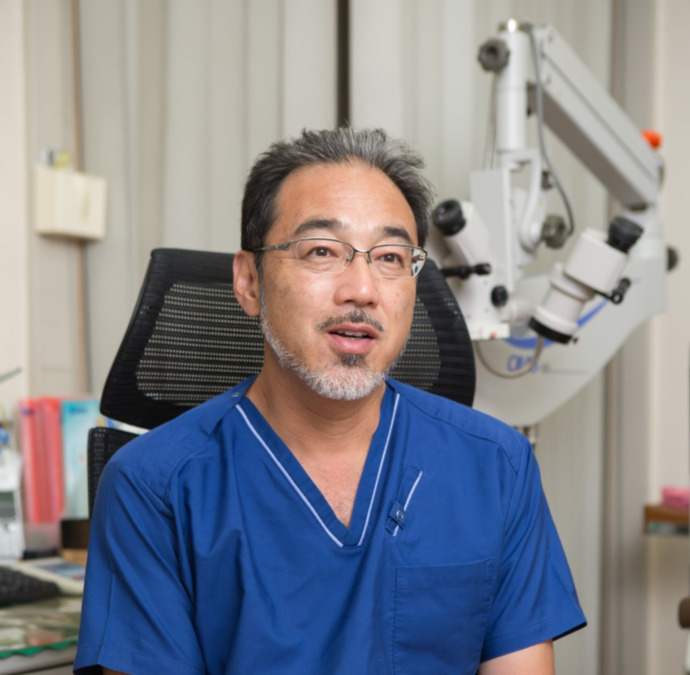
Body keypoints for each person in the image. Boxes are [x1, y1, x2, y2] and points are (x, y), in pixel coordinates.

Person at [74, 127, 585, 675]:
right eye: (322, 251)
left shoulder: (495, 465)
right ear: (249, 282)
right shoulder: (152, 486)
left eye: (390, 257)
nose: (362, 289)